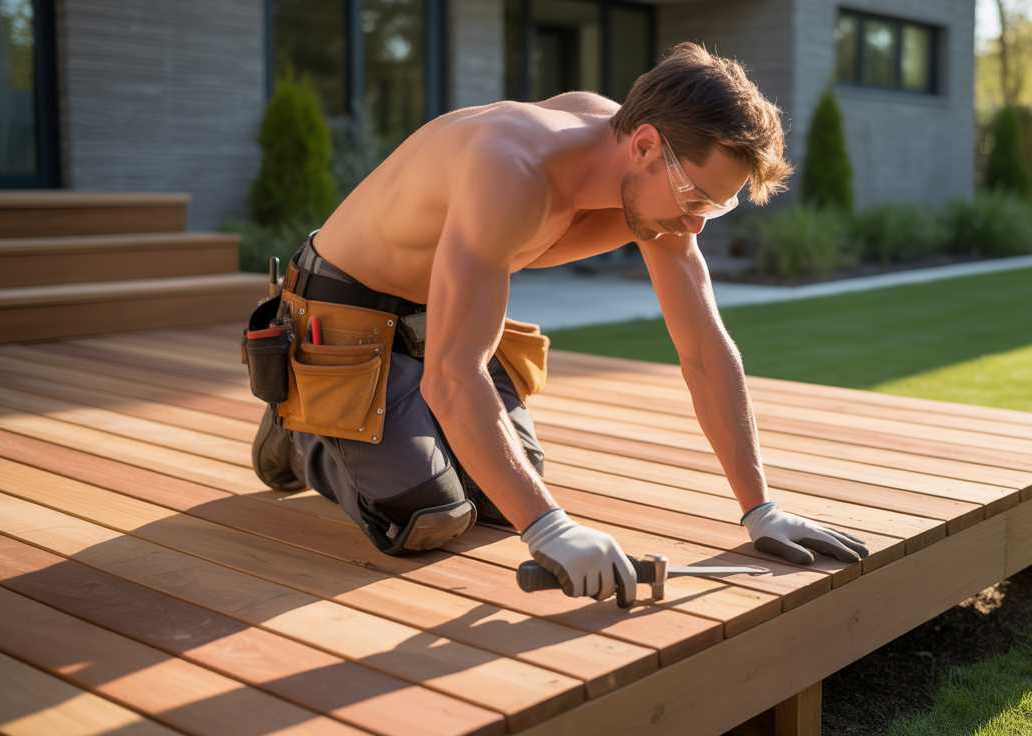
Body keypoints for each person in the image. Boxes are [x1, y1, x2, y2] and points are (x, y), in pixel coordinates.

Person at [251, 43, 869, 608]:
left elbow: (705, 347)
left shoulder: (644, 183)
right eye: (696, 198)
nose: (698, 224)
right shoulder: (509, 171)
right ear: (647, 145)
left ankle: (374, 420)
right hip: (344, 314)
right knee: (426, 519)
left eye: (718, 206)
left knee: (505, 492)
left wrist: (760, 508)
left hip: (437, 314)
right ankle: (299, 421)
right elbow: (451, 374)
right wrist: (551, 528)